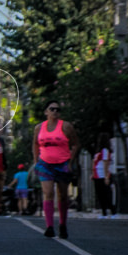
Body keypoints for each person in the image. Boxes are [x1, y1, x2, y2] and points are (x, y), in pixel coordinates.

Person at [32, 100, 79, 239]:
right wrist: (36, 161)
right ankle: (49, 226)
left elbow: (76, 144)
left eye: (57, 110)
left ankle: (63, 224)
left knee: (63, 195)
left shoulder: (66, 126)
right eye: (51, 109)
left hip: (62, 163)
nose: (55, 112)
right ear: (46, 112)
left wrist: (70, 162)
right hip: (45, 164)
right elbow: (35, 144)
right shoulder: (39, 128)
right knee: (48, 193)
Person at [92, 133, 118, 219]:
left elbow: (105, 163)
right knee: (100, 194)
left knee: (106, 194)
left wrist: (107, 176)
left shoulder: (105, 151)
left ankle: (113, 211)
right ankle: (104, 212)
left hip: (102, 175)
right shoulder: (99, 152)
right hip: (97, 175)